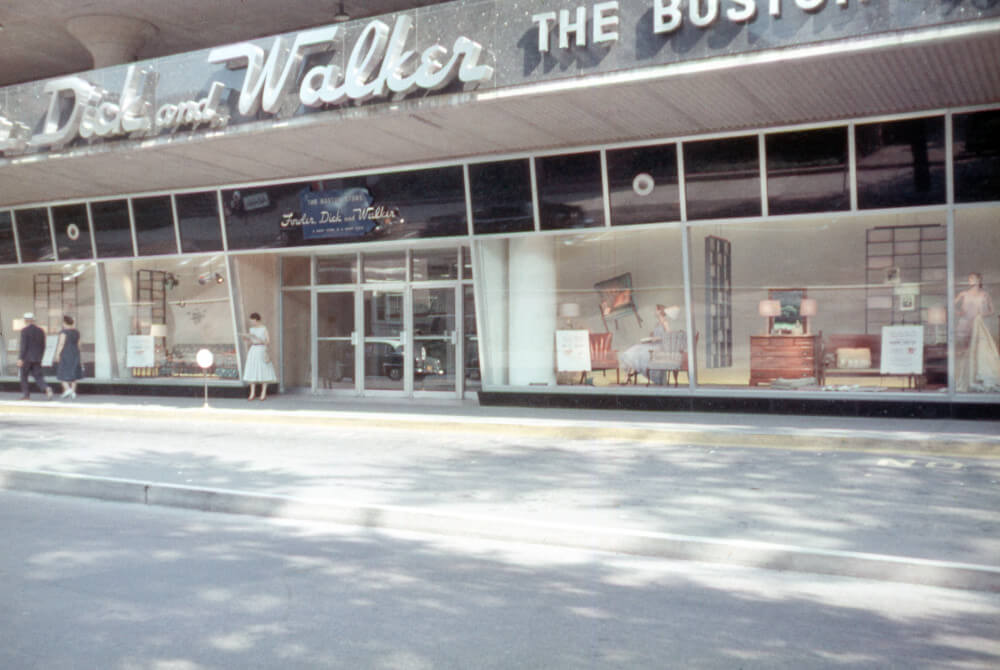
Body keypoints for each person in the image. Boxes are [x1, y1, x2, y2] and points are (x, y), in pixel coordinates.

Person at [620, 304, 680, 384]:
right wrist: (650, 339)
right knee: (636, 348)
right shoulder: (657, 323)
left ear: (659, 311)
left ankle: (629, 375)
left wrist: (656, 338)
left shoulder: (665, 322)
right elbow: (655, 336)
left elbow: (668, 336)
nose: (655, 312)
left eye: (656, 310)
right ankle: (627, 376)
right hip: (654, 345)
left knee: (640, 352)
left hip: (660, 347)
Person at [240, 312, 277, 400]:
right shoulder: (251, 329)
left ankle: (263, 393)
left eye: (253, 321)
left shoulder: (264, 328)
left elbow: (268, 341)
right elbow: (250, 341)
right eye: (251, 321)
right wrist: (245, 338)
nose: (252, 323)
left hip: (261, 349)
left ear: (257, 320)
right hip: (253, 350)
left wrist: (258, 339)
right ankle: (252, 393)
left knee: (263, 370)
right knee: (252, 370)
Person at [17, 312, 53, 401]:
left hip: (26, 358)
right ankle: (46, 388)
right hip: (37, 358)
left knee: (24, 376)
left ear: (25, 320)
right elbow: (43, 345)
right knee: (38, 376)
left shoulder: (24, 331)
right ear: (33, 320)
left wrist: (20, 358)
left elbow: (23, 346)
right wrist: (40, 356)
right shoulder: (41, 331)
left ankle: (26, 395)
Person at [955, 272, 995, 348]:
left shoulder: (985, 294)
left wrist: (982, 314)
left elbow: (992, 311)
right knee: (966, 346)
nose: (970, 280)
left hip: (979, 323)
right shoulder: (964, 293)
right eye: (969, 278)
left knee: (979, 346)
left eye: (972, 278)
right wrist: (958, 312)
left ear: (979, 280)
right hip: (966, 324)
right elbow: (950, 305)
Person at [53, 315, 83, 399]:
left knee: (62, 372)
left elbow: (61, 344)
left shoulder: (63, 332)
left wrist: (57, 354)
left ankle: (67, 389)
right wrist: (78, 352)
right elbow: (79, 344)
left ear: (64, 323)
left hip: (65, 353)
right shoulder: (77, 332)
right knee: (74, 372)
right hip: (75, 353)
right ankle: (73, 392)